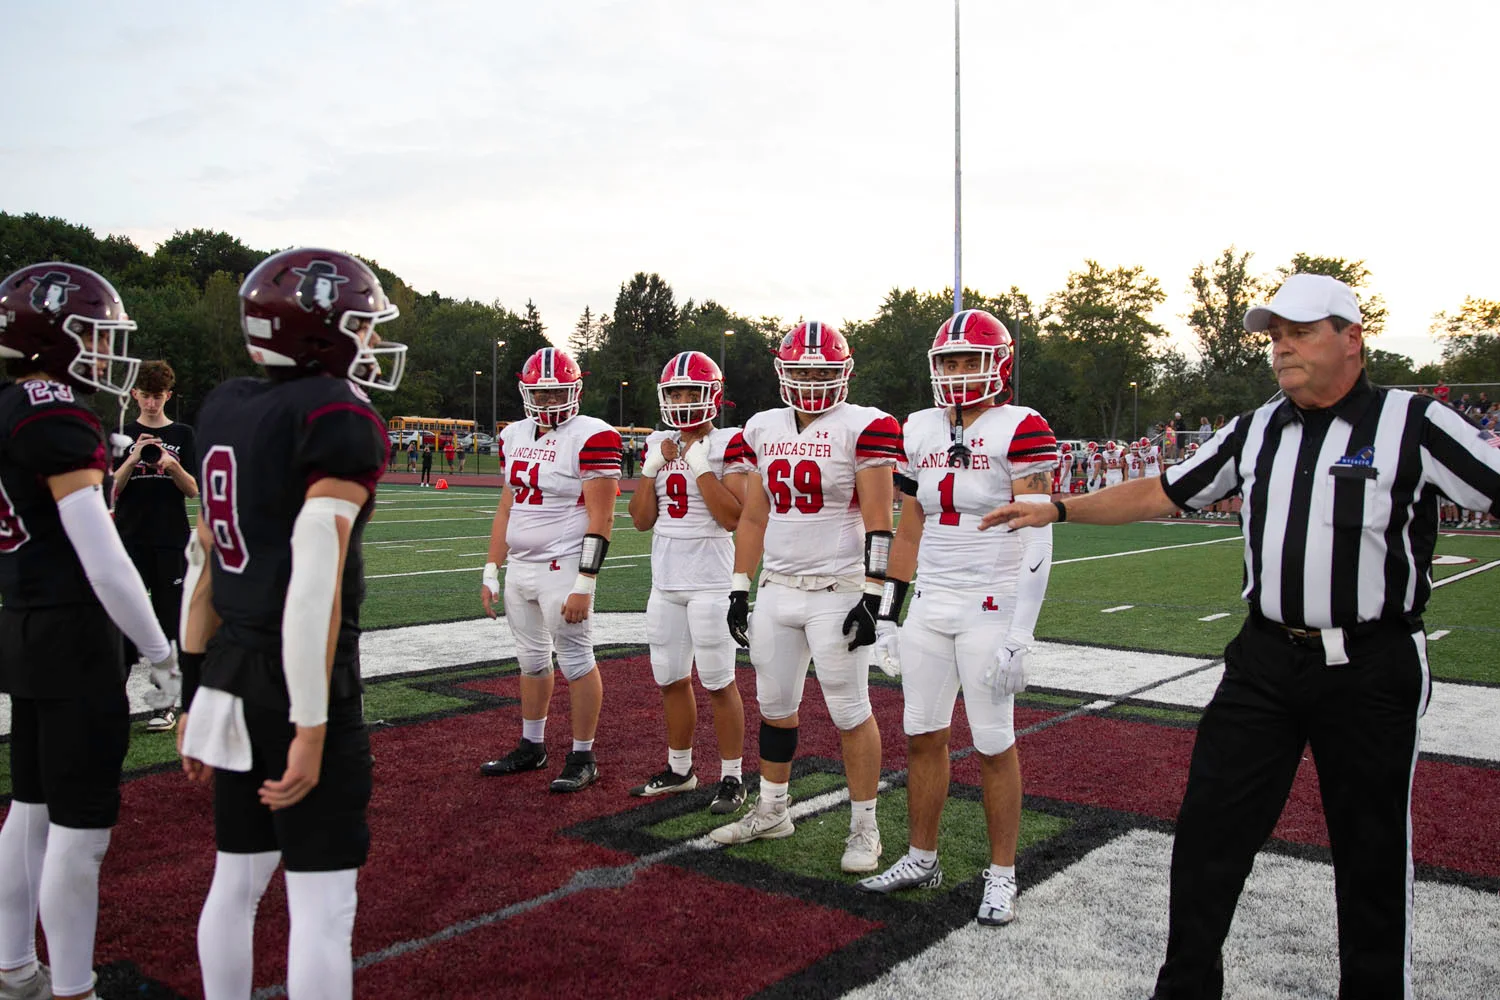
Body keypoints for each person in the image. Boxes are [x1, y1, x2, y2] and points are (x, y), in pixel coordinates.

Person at [980, 273, 1500, 999]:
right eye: (1275, 335)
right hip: (1264, 662)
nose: (1282, 347)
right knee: (1207, 837)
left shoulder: (1413, 423)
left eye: (1300, 331)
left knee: (1371, 853)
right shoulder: (1256, 427)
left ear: (1352, 339)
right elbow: (1165, 489)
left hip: (1372, 665)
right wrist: (1060, 508)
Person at [177, 247, 405, 1000]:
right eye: (361, 327)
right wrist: (312, 724)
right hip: (297, 679)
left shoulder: (226, 405)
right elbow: (313, 580)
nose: (370, 344)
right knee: (322, 904)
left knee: (235, 879)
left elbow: (202, 560)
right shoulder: (334, 416)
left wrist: (192, 690)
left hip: (232, 670)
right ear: (323, 332)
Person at [0, 262, 179, 1000]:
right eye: (94, 335)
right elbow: (102, 557)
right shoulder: (55, 412)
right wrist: (160, 649)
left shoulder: (10, 403)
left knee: (31, 807)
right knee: (79, 827)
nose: (107, 352)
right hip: (74, 631)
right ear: (56, 336)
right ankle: (73, 987)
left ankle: (14, 966)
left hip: (21, 619)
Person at [855, 309, 1056, 928]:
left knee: (993, 740)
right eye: (950, 360)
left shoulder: (1020, 426)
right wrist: (890, 610)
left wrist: (1022, 631)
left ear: (1000, 363)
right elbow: (910, 522)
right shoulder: (918, 428)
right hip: (934, 601)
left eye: (971, 359)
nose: (959, 371)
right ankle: (921, 856)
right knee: (922, 733)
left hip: (992, 598)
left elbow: (1039, 533)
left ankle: (1002, 874)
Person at [709, 321, 902, 874]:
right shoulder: (764, 427)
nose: (812, 380)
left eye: (822, 370)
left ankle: (865, 826)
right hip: (777, 589)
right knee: (775, 708)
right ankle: (773, 810)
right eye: (801, 370)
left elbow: (879, 523)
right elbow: (753, 513)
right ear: (783, 373)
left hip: (836, 590)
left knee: (849, 710)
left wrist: (873, 595)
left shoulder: (863, 426)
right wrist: (739, 588)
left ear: (843, 373)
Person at [478, 347, 621, 792]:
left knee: (576, 659)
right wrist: (491, 567)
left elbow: (603, 518)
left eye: (555, 392)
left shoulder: (593, 435)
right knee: (531, 660)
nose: (546, 402)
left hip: (563, 566)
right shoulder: (513, 435)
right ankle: (532, 745)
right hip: (520, 566)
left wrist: (585, 582)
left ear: (575, 390)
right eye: (538, 393)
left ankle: (583, 755)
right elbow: (508, 505)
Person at [626, 351, 750, 813]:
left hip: (713, 582)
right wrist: (649, 470)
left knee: (719, 682)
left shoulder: (729, 443)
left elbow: (732, 516)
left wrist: (698, 466)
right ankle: (680, 769)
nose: (681, 401)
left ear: (711, 395)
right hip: (666, 582)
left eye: (690, 392)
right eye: (674, 392)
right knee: (670, 678)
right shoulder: (658, 442)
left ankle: (733, 776)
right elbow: (640, 520)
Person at [111, 360, 199, 732]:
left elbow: (194, 489)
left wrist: (171, 465)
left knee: (170, 624)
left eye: (158, 396)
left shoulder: (183, 433)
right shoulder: (120, 434)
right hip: (129, 540)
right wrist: (133, 457)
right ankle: (113, 701)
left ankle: (165, 704)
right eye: (145, 395)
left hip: (170, 541)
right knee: (121, 622)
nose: (151, 402)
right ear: (134, 395)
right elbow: (108, 489)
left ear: (168, 396)